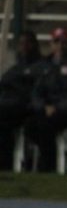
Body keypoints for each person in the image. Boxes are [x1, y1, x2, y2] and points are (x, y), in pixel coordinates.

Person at [25, 43, 67, 173]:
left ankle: (48, 165)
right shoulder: (50, 67)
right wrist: (43, 106)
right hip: (49, 111)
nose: (60, 47)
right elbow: (37, 92)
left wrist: (57, 108)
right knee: (31, 125)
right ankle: (41, 161)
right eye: (56, 42)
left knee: (45, 125)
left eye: (62, 43)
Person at [0, 31, 47, 170]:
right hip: (9, 107)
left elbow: (37, 91)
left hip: (26, 108)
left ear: (35, 45)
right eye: (21, 43)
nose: (24, 46)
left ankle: (5, 164)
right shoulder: (16, 67)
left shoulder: (41, 67)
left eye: (28, 43)